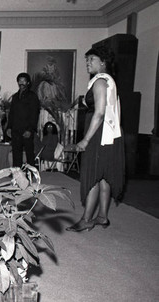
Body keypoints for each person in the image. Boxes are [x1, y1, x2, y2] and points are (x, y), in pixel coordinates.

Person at [66, 46, 125, 232]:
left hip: (99, 135)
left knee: (92, 175)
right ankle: (102, 217)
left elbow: (99, 113)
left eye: (91, 59)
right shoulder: (108, 81)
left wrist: (85, 140)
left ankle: (86, 220)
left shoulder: (100, 81)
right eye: (87, 60)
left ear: (103, 62)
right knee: (104, 177)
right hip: (111, 134)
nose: (87, 63)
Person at [7, 72, 41, 167]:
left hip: (27, 130)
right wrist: (9, 127)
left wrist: (30, 130)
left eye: (24, 81)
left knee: (29, 154)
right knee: (16, 154)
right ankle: (17, 174)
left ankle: (31, 174)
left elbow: (35, 114)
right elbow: (11, 114)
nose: (21, 83)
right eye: (19, 81)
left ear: (28, 83)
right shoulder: (15, 97)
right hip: (16, 130)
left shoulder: (32, 96)